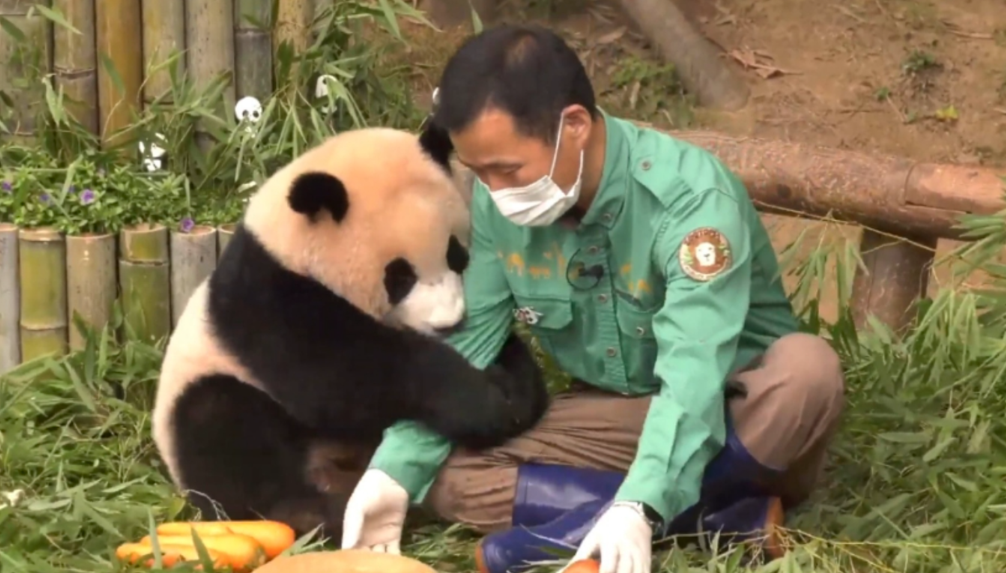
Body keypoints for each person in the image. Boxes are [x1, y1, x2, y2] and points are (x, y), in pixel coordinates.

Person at [339, 23, 846, 573]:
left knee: (808, 372)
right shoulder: (496, 203)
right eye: (478, 173)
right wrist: (393, 469)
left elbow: (694, 371)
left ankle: (633, 514)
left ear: (574, 126)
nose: (494, 192)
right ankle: (717, 517)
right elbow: (468, 338)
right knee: (446, 472)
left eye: (508, 170)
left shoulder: (690, 200)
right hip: (616, 415)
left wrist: (640, 502)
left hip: (736, 410)